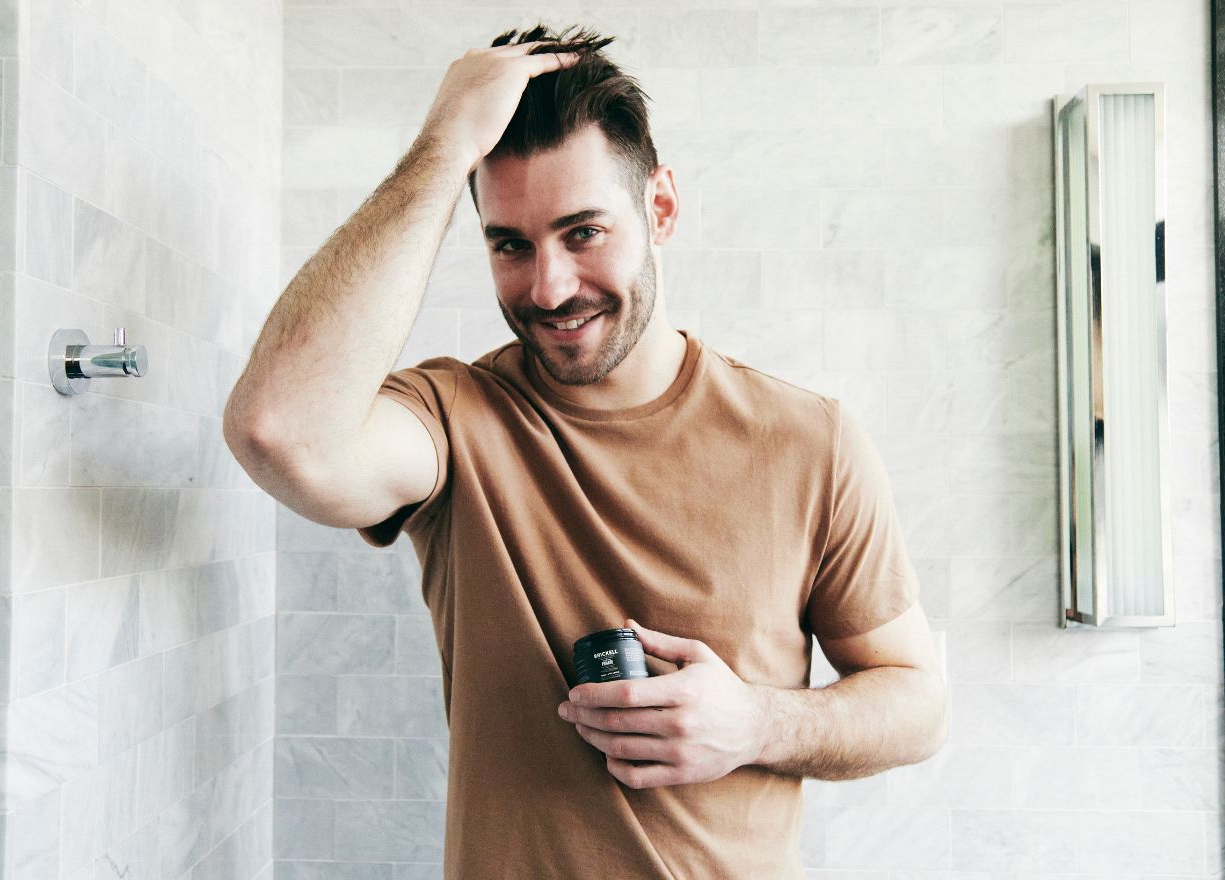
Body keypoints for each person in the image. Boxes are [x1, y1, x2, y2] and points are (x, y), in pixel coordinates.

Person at [224, 22, 946, 879]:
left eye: (583, 232)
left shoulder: (811, 441)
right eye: (510, 244)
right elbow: (280, 430)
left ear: (661, 208)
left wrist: (756, 722)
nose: (549, 288)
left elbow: (917, 705)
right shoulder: (459, 420)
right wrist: (444, 146)